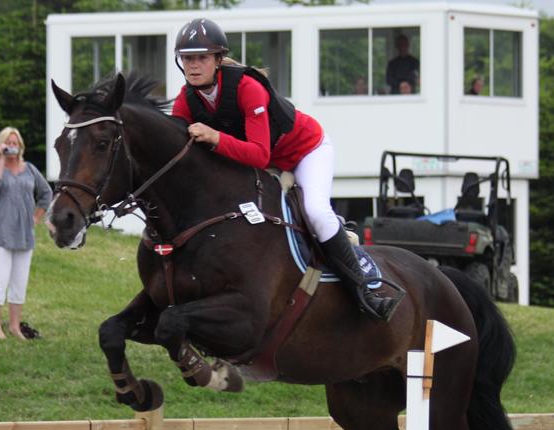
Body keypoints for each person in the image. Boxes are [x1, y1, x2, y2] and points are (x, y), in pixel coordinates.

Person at [170, 18, 402, 322]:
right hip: (270, 166)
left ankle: (365, 292)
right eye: (188, 58)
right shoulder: (185, 102)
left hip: (306, 152)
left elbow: (258, 153)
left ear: (217, 60)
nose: (194, 65)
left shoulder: (246, 87)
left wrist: (214, 137)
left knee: (316, 212)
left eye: (202, 57)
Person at [0, 126, 52, 340]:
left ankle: (14, 326)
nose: (12, 146)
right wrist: (2, 161)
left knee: (19, 283)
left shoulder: (29, 169)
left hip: (24, 235)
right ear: (1, 145)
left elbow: (46, 193)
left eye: (15, 143)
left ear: (20, 146)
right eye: (8, 143)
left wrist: (37, 217)